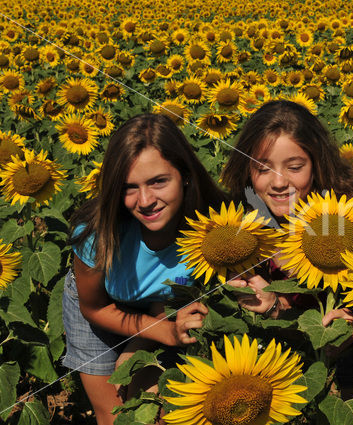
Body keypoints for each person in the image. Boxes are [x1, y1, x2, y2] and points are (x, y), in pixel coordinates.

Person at [220, 100, 353, 418]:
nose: (279, 182)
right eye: (263, 168)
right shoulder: (245, 228)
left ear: (317, 163)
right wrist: (272, 306)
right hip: (290, 349)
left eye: (295, 167)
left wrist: (345, 330)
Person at [62, 113, 225, 425]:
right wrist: (163, 332)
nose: (146, 200)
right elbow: (94, 307)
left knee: (159, 409)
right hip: (99, 306)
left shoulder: (214, 228)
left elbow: (175, 295)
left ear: (185, 175)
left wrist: (139, 346)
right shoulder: (97, 233)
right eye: (129, 187)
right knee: (113, 416)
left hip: (164, 304)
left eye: (158, 181)